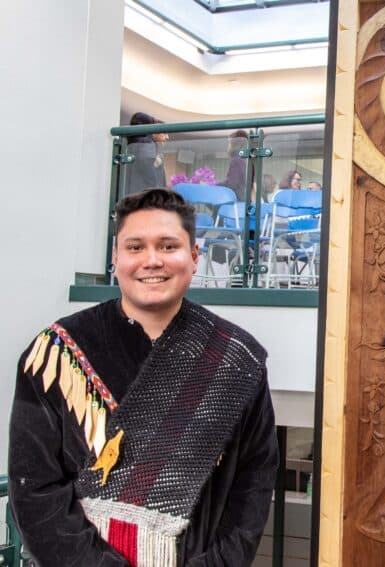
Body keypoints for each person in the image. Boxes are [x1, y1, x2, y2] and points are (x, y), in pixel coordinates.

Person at [8, 189, 279, 566]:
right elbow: (35, 487)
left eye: (168, 246)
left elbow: (253, 481)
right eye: (135, 247)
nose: (152, 261)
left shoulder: (237, 357)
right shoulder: (56, 353)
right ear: (115, 258)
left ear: (195, 257)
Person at [124, 112, 168, 195]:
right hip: (145, 198)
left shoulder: (129, 146)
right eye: (164, 133)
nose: (167, 137)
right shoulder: (147, 147)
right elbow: (151, 180)